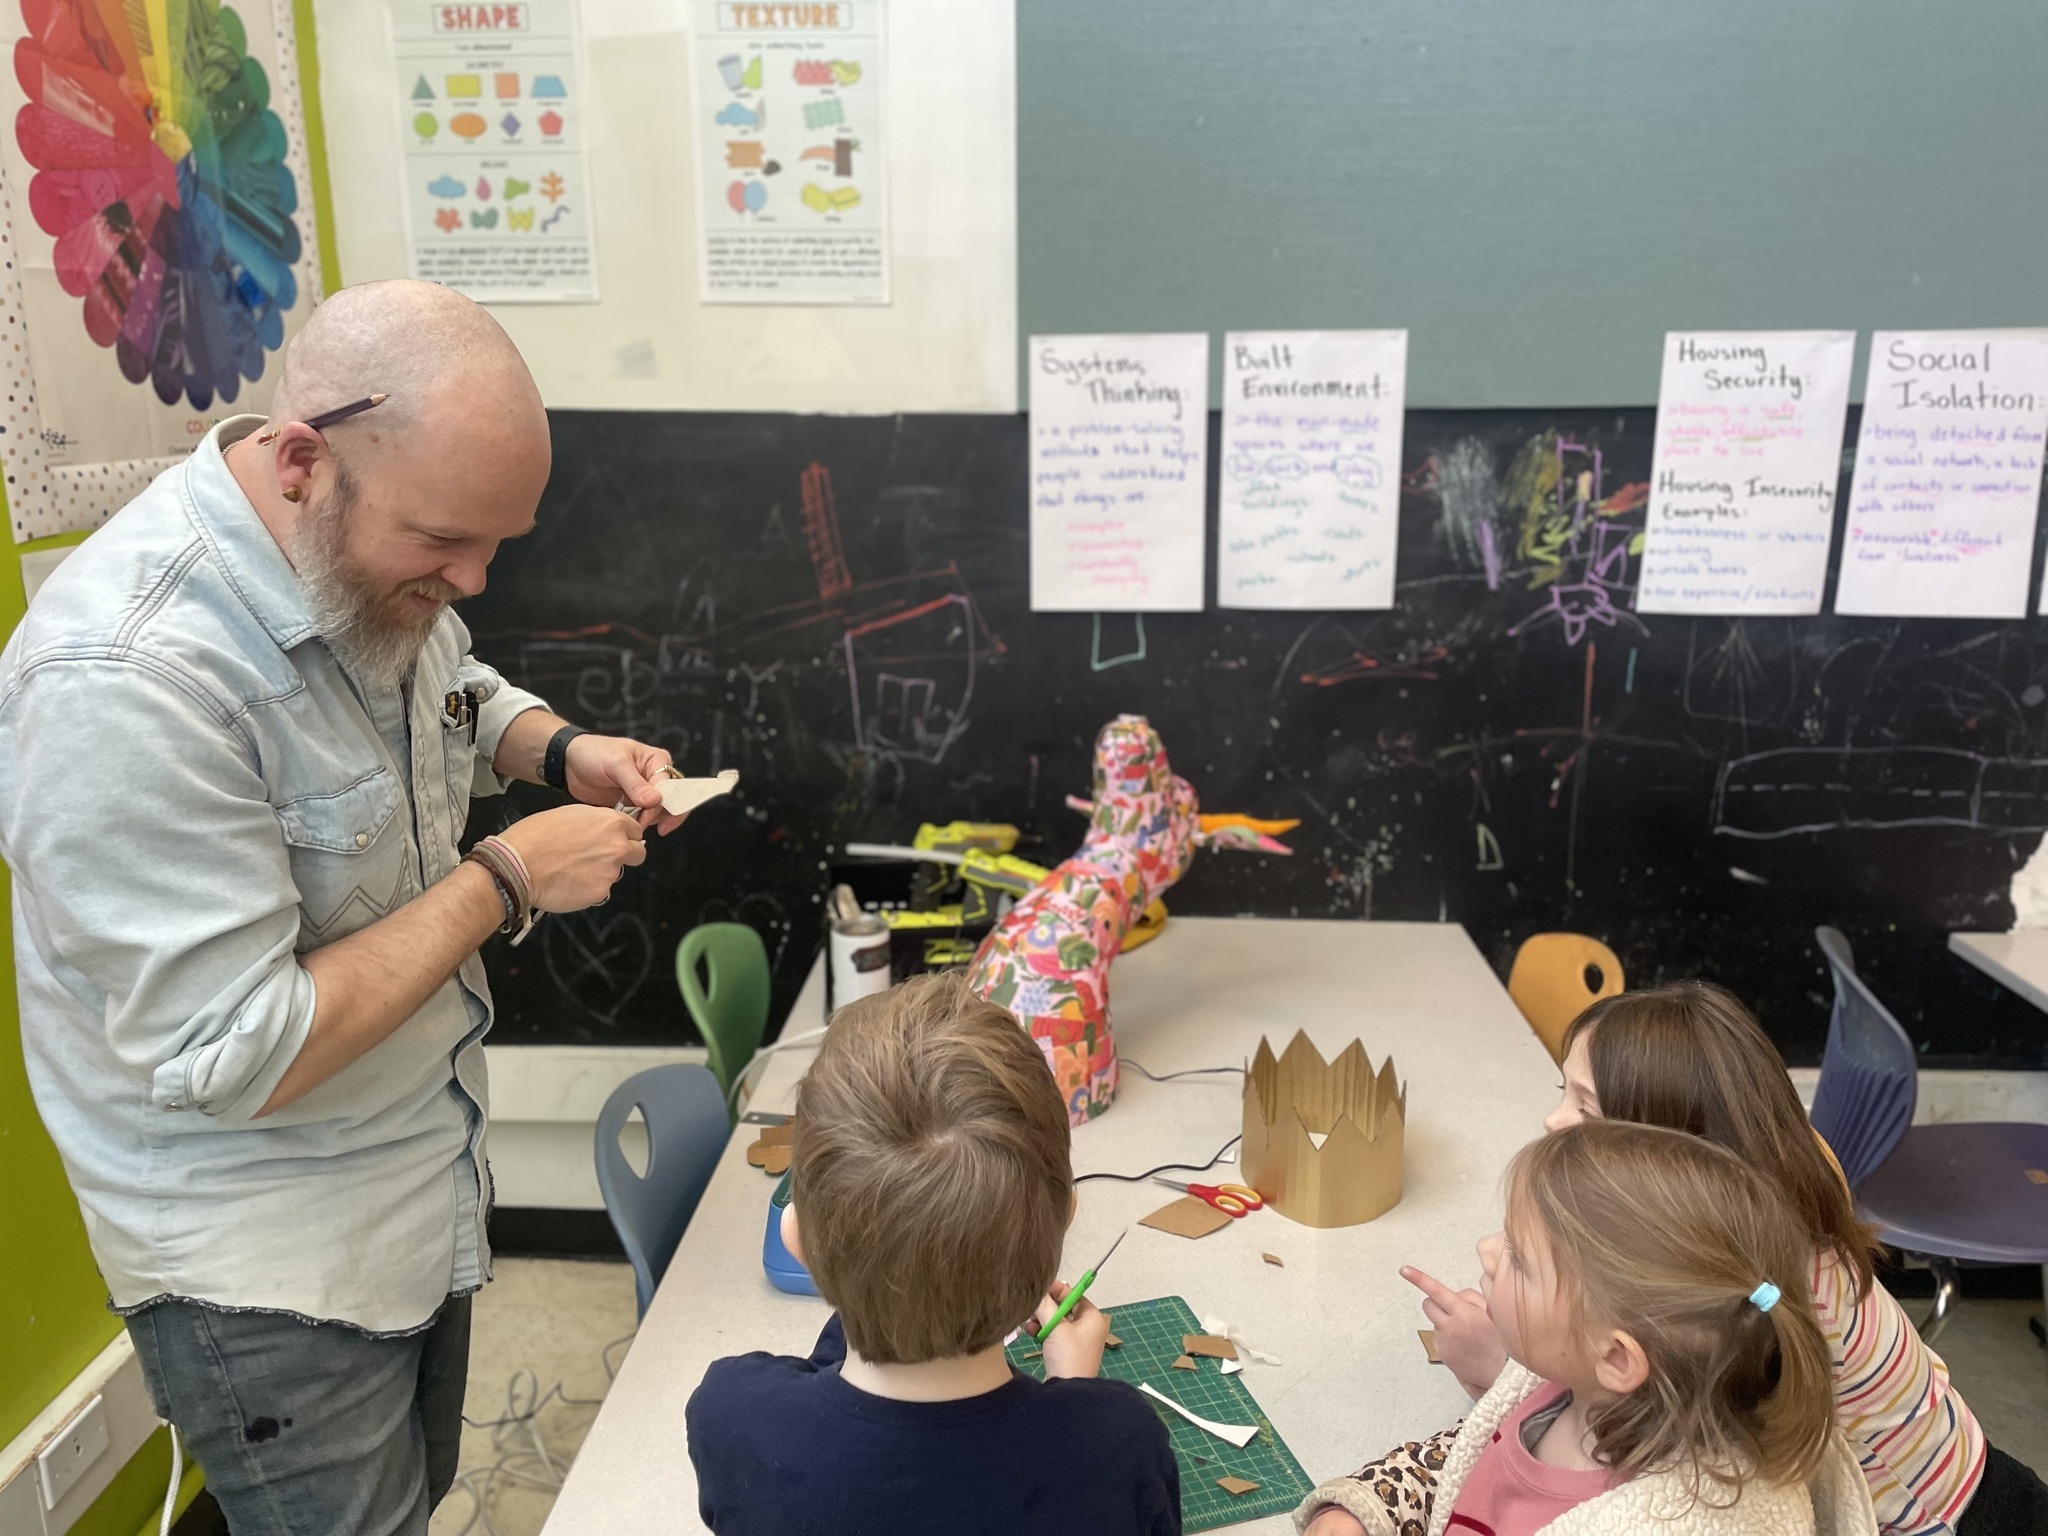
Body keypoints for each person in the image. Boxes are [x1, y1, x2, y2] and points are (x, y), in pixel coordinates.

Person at [0, 281, 694, 1533]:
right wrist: (510, 879)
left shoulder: (354, 563)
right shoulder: (124, 678)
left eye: (498, 543)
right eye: (443, 544)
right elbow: (237, 1049)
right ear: (306, 459)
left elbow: (449, 681)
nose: (472, 577)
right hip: (270, 1272)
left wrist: (560, 750)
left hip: (415, 1187)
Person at [1404, 982, 2045, 1536]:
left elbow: (1662, 1459)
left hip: (1945, 1517)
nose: (1552, 1120)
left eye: (1586, 1108)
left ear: (1672, 1151)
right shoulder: (1749, 1202)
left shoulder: (1753, 1299)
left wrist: (1507, 1364)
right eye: (1562, 1092)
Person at [686, 971, 1180, 1535]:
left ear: (794, 1237)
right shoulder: (1118, 1444)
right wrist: (1076, 1398)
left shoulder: (732, 1415)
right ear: (1064, 1219)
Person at [1298, 1121, 1876, 1536]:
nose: (1487, 1251)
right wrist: (1366, 1510)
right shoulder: (1565, 1392)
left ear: (1618, 1359)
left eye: (1519, 1258)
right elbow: (1469, 1457)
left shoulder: (1667, 1522)